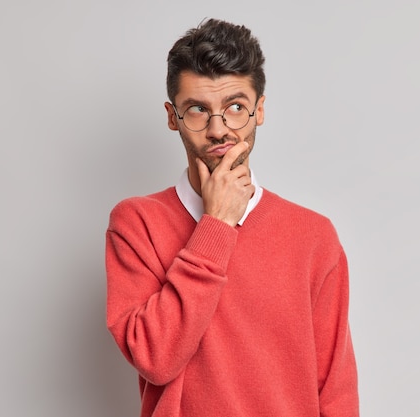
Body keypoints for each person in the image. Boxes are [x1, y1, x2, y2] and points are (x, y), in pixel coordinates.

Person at [105, 18, 359, 417]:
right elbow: (155, 358)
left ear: (259, 110)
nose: (218, 129)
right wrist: (217, 225)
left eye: (235, 107)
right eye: (197, 110)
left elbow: (336, 390)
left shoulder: (313, 236)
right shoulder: (137, 224)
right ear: (173, 117)